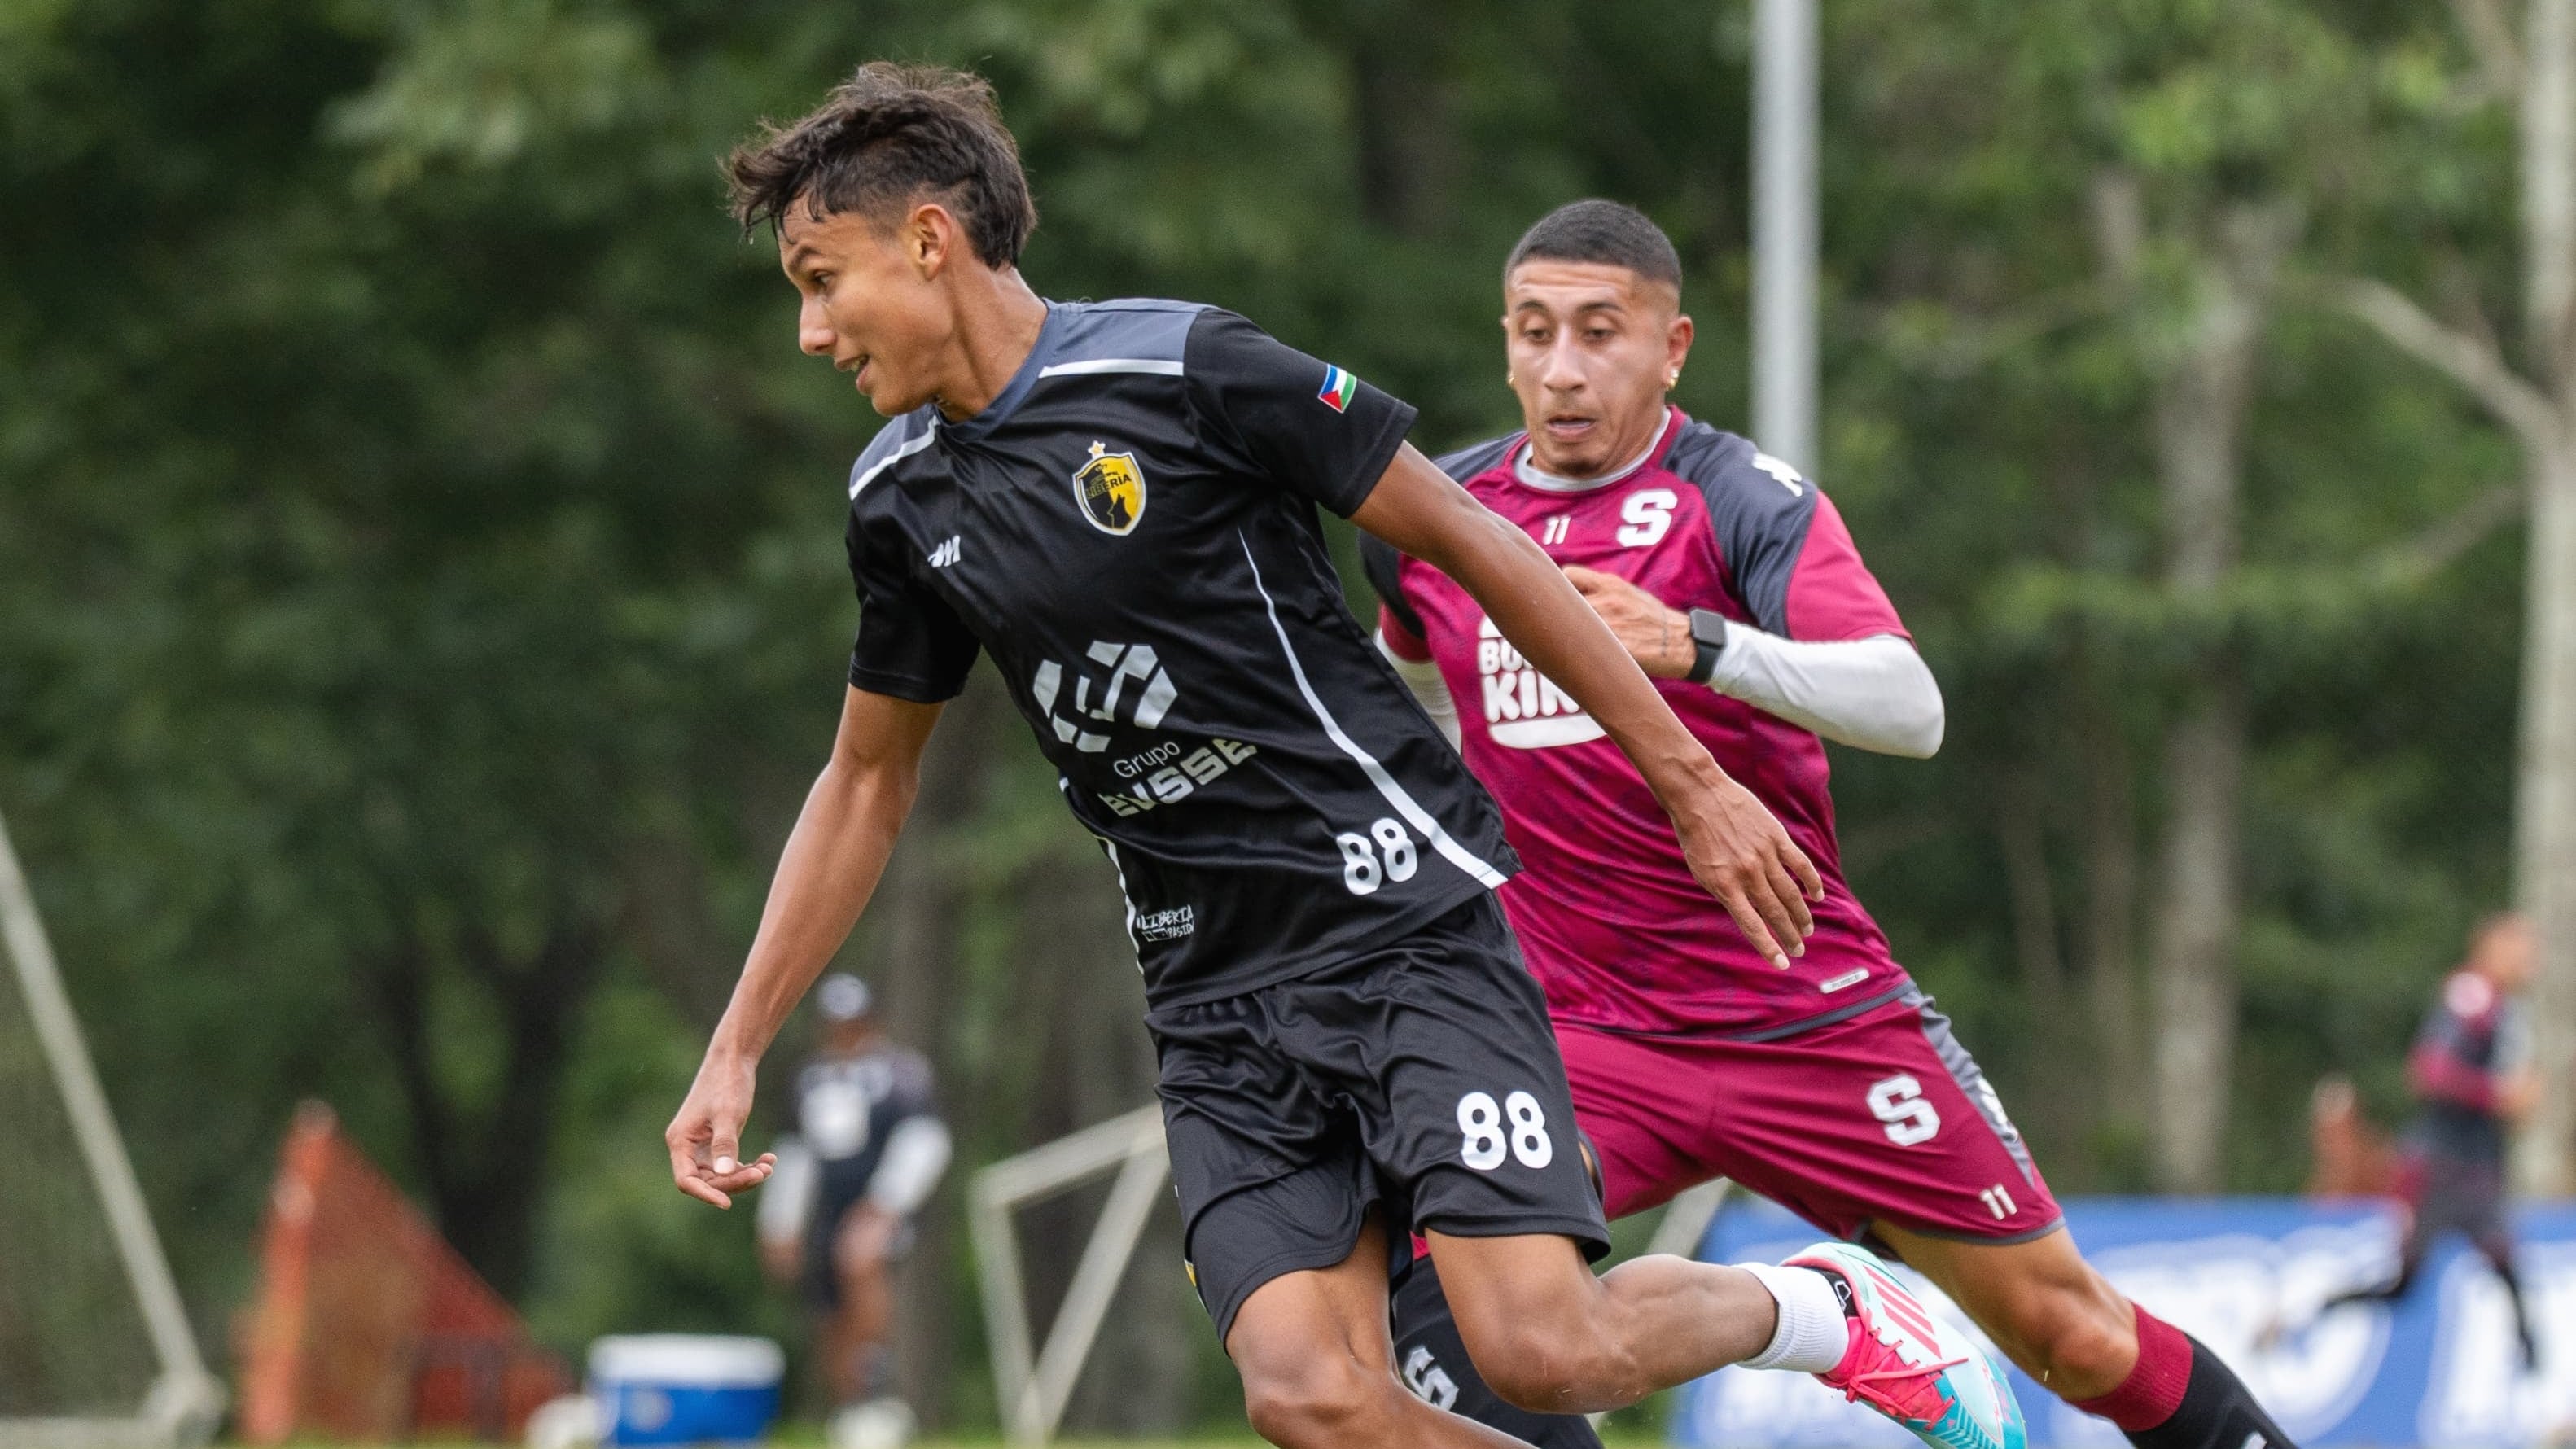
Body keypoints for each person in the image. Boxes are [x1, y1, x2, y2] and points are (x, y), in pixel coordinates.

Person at [661, 63, 2022, 1449]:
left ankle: (1825, 1312)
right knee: (1310, 1403)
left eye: (821, 280)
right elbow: (865, 779)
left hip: (1401, 929)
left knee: (1542, 1352)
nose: (810, 332)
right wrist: (736, 1046)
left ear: (929, 242)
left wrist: (1690, 779)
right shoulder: (897, 497)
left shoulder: (1183, 369)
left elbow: (1476, 542)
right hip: (1212, 999)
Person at [1365, 199, 2293, 1449]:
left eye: (1602, 332)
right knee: (1443, 1300)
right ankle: (1794, 1313)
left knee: (2071, 1337)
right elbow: (1412, 677)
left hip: (1808, 1016)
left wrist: (1702, 645)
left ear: (1673, 345)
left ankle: (1853, 1308)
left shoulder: (1739, 499)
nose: (1563, 368)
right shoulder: (1443, 519)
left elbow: (1910, 706)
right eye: (1535, 333)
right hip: (1577, 1033)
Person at [2311, 913, 2540, 1368]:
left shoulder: (2503, 1008)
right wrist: (2497, 1095)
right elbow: (2431, 1070)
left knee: (2505, 1273)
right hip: (2442, 1167)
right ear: (2490, 946)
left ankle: (2538, 1378)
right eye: (2520, 947)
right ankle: (2314, 1311)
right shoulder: (2472, 997)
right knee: (2412, 1282)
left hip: (2471, 1165)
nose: (2529, 959)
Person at [755, 974, 950, 1440]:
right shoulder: (809, 1079)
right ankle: (847, 1407)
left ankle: (875, 1392)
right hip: (826, 1207)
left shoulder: (902, 1074)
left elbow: (924, 1139)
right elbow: (797, 1153)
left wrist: (886, 1204)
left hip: (879, 1202)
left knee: (861, 1263)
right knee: (827, 1307)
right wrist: (780, 1223)